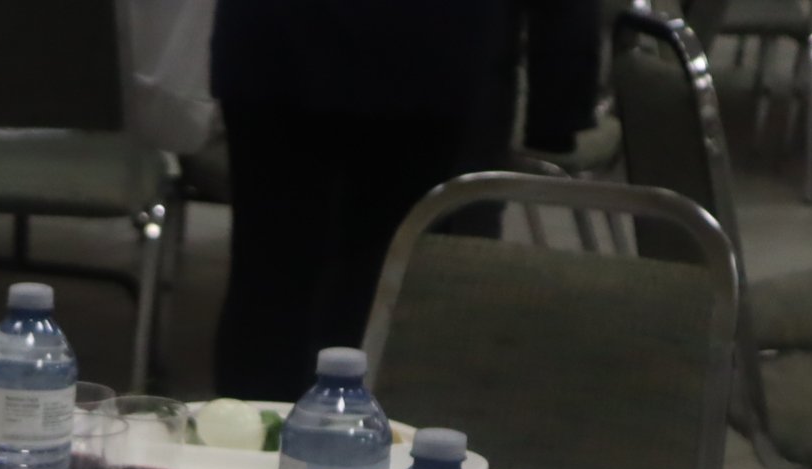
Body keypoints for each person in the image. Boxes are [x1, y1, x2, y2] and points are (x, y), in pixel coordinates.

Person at [210, 0, 601, 399]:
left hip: (275, 43)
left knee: (271, 276)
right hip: (422, 49)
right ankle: (351, 440)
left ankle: (247, 439)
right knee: (381, 282)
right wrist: (558, 106)